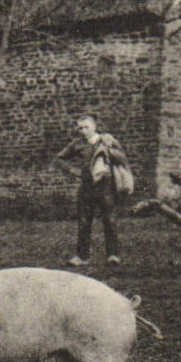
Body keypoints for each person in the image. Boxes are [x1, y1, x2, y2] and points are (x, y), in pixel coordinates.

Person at [54, 113, 128, 267]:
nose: (83, 131)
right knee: (84, 221)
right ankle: (82, 256)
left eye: (86, 127)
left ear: (94, 127)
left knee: (109, 220)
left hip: (106, 186)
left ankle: (113, 255)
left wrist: (110, 150)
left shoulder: (106, 140)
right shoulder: (77, 144)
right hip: (86, 187)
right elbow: (59, 159)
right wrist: (74, 170)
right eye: (80, 128)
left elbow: (122, 158)